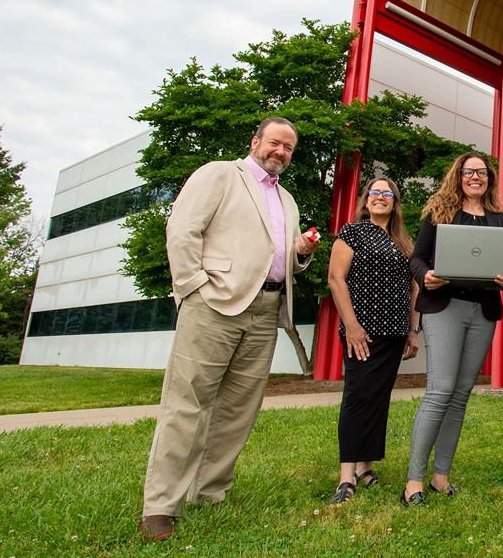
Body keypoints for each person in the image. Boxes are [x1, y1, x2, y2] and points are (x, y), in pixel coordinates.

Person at [140, 117, 319, 541]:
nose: (281, 152)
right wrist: (192, 289)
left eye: (289, 148)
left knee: (239, 409)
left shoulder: (288, 200)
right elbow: (182, 231)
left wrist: (300, 252)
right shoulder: (219, 174)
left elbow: (280, 257)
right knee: (189, 403)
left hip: (266, 309)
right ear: (256, 141)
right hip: (214, 304)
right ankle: (161, 506)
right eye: (275, 143)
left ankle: (211, 492)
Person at [401, 152, 503, 506]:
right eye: (469, 172)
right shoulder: (439, 213)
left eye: (482, 173)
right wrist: (425, 276)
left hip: (483, 311)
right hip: (444, 308)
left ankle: (441, 477)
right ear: (459, 175)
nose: (475, 177)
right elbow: (417, 258)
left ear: (489, 178)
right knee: (440, 390)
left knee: (460, 396)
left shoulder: (501, 219)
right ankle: (414, 482)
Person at [326, 177, 421, 505]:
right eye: (374, 193)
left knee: (378, 398)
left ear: (395, 202)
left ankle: (366, 467)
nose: (380, 198)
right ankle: (346, 476)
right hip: (362, 332)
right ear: (366, 200)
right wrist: (351, 326)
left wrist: (413, 329)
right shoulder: (351, 232)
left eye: (387, 194)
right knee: (357, 396)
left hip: (395, 333)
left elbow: (414, 288)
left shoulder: (405, 241)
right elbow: (335, 278)